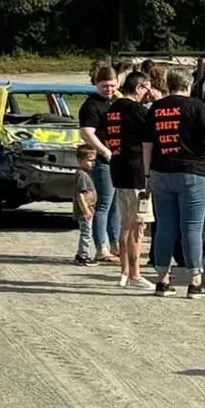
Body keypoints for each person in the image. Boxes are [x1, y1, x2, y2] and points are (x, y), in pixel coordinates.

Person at [143, 68, 205, 297]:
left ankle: (162, 280)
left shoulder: (156, 108)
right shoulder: (196, 106)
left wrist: (147, 175)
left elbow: (147, 144)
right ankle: (195, 281)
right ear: (189, 85)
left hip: (160, 171)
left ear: (168, 84)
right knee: (192, 228)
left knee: (164, 227)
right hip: (192, 172)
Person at [103, 69, 156, 291]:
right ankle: (135, 274)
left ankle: (124, 271)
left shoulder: (112, 109)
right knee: (138, 226)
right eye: (147, 88)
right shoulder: (134, 109)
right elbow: (155, 128)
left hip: (118, 170)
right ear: (139, 87)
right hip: (137, 173)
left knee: (126, 225)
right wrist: (156, 101)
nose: (148, 93)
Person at [77, 64, 121, 265]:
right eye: (105, 86)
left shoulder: (117, 101)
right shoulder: (91, 105)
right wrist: (104, 151)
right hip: (104, 161)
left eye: (112, 85)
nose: (109, 89)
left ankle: (115, 245)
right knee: (104, 204)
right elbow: (86, 132)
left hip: (118, 159)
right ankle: (101, 248)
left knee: (116, 205)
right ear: (96, 84)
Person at [72, 144, 101, 264]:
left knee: (87, 232)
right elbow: (80, 194)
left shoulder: (87, 173)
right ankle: (82, 255)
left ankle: (83, 254)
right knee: (86, 233)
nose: (93, 163)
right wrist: (85, 210)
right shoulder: (82, 175)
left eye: (94, 160)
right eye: (89, 160)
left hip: (89, 209)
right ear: (80, 160)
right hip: (84, 211)